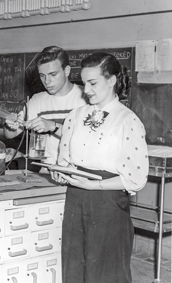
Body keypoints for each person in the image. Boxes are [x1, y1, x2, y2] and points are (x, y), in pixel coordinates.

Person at [52, 52, 149, 283]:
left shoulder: (127, 120)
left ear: (112, 80)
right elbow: (65, 160)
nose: (86, 90)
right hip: (75, 199)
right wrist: (60, 172)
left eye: (93, 83)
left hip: (108, 203)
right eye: (83, 83)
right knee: (74, 268)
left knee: (106, 272)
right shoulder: (75, 116)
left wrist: (94, 185)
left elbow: (135, 179)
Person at [4, 46, 87, 165]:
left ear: (67, 70)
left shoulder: (86, 97)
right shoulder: (37, 100)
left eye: (53, 74)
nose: (47, 81)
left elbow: (91, 139)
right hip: (46, 171)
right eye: (42, 75)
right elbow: (9, 134)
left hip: (78, 173)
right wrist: (10, 125)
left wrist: (52, 126)